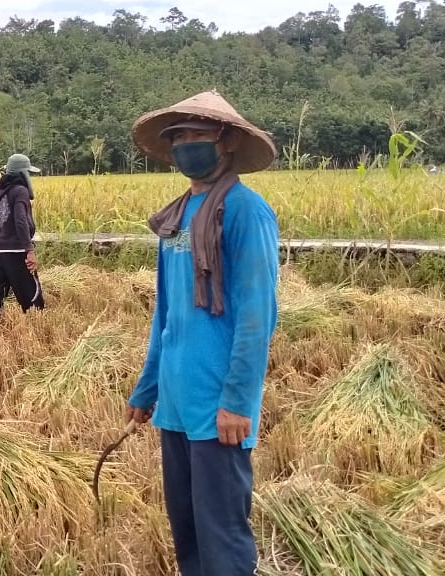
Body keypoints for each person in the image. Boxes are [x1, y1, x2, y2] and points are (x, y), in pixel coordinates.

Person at [123, 91, 281, 575]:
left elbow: (258, 314)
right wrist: (147, 388)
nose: (187, 145)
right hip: (175, 403)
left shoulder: (245, 211)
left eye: (198, 135)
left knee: (223, 538)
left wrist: (237, 399)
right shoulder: (176, 218)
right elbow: (165, 314)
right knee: (187, 532)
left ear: (227, 141)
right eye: (179, 138)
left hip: (218, 407)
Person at [0, 153, 44, 315]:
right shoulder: (20, 191)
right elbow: (21, 221)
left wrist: (1, 240)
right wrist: (29, 250)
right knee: (31, 295)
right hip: (17, 252)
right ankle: (37, 324)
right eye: (28, 172)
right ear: (22, 173)